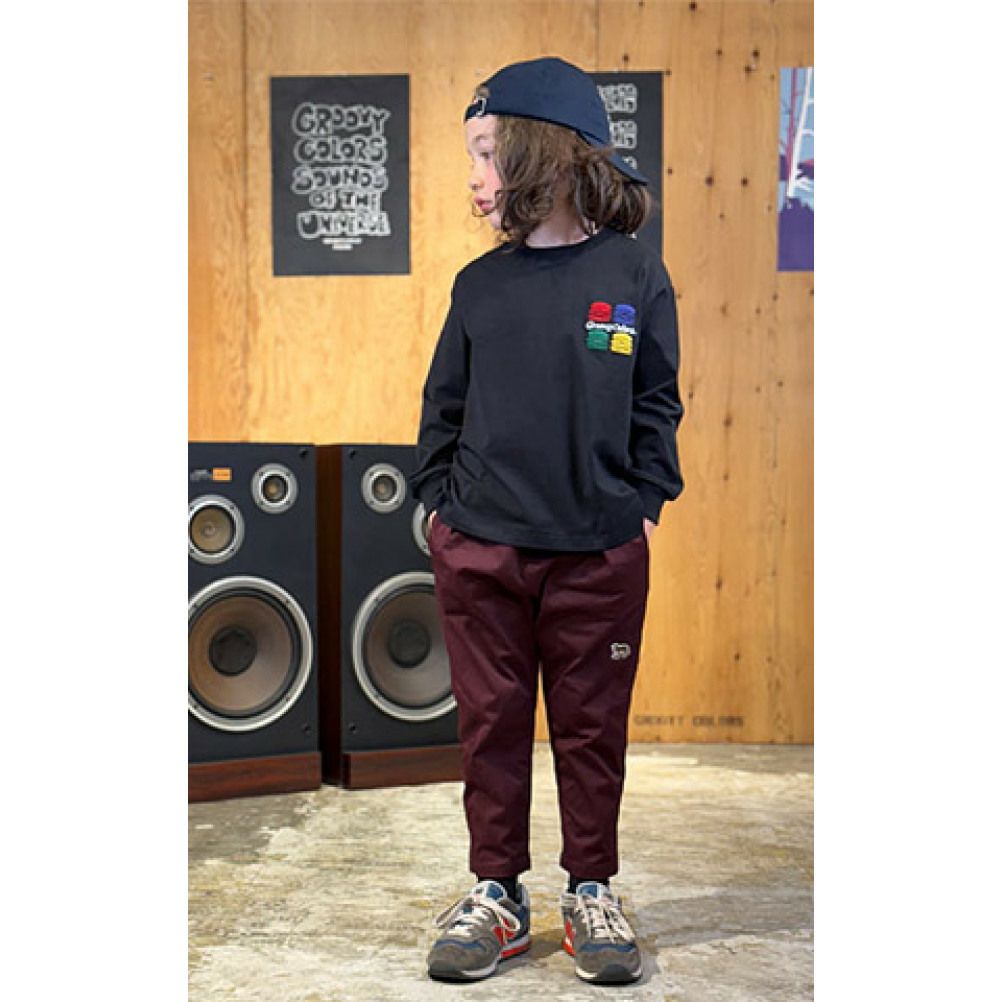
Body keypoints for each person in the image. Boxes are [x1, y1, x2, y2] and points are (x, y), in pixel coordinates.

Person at [407, 55, 684, 985]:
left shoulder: (634, 273)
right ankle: (496, 894)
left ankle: (591, 890)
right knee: (489, 726)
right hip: (480, 549)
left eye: (487, 151)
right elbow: (442, 409)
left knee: (590, 728)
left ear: (540, 151)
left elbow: (657, 403)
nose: (475, 176)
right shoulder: (479, 286)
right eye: (473, 155)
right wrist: (442, 510)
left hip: (598, 554)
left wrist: (640, 506)